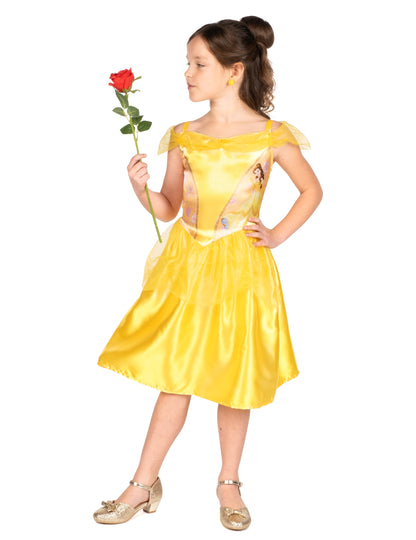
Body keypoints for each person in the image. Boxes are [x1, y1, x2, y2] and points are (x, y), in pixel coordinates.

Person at [93, 16, 323, 531]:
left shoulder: (270, 135)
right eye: (188, 64)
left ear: (234, 71)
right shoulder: (183, 135)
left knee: (233, 377)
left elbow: (312, 190)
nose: (188, 74)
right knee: (176, 373)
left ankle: (229, 482)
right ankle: (143, 482)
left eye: (199, 65)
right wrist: (141, 188)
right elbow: (169, 206)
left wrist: (277, 234)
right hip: (188, 265)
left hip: (240, 267)